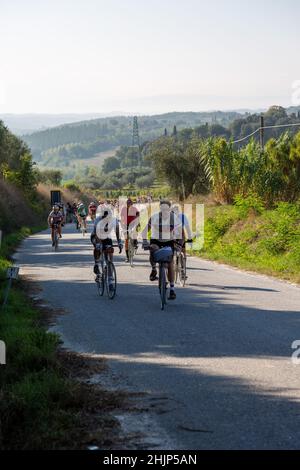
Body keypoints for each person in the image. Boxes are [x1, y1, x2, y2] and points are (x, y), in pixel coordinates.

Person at [142, 199, 181, 300]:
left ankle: (172, 289)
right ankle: (154, 269)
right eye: (162, 208)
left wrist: (179, 243)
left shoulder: (174, 218)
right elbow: (145, 230)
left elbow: (180, 232)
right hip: (156, 240)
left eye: (166, 208)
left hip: (169, 241)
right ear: (160, 208)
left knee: (170, 264)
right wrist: (145, 240)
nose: (164, 210)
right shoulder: (154, 217)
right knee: (153, 249)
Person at [91, 207, 123, 292]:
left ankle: (110, 281)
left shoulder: (114, 220)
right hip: (96, 236)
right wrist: (98, 244)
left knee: (110, 255)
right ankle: (97, 264)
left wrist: (119, 242)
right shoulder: (98, 220)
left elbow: (117, 232)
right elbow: (97, 234)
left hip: (107, 237)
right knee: (97, 248)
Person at [120, 198, 140, 263]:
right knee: (126, 239)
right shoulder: (123, 209)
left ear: (132, 204)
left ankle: (135, 241)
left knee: (134, 233)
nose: (128, 205)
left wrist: (137, 223)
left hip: (133, 224)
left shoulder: (134, 209)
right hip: (126, 224)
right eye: (127, 203)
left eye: (130, 203)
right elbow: (122, 218)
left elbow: (138, 216)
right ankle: (127, 257)